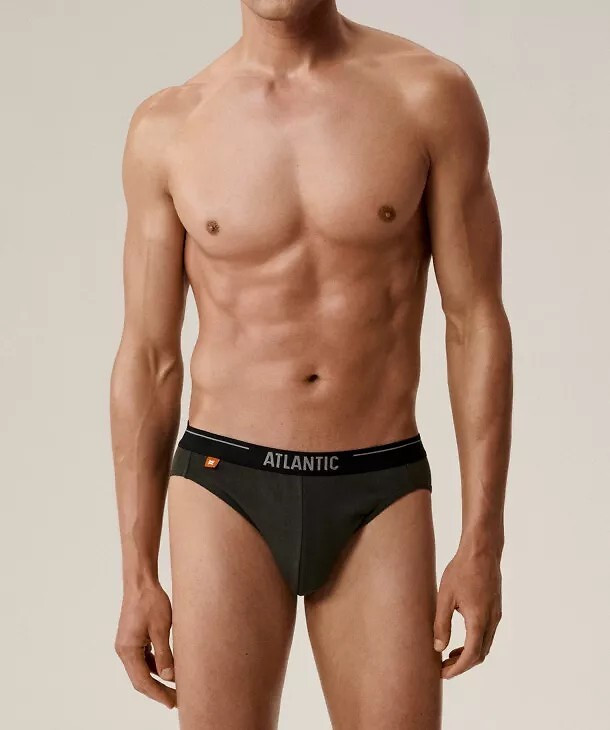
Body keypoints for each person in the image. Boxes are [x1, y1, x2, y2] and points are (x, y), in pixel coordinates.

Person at [109, 1, 512, 727]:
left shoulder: (428, 96)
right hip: (225, 486)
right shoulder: (168, 128)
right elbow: (148, 356)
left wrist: (483, 540)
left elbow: (474, 321)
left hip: (377, 489)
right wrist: (136, 572)